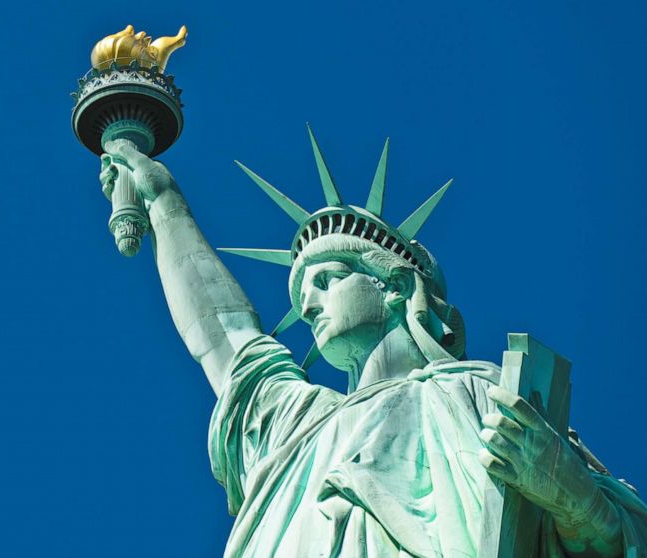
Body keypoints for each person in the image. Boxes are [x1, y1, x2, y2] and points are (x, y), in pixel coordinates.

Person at [97, 137, 647, 557]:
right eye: (301, 291)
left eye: (327, 278)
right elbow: (227, 338)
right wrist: (163, 204)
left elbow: (627, 539)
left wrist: (577, 500)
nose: (307, 303)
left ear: (397, 287)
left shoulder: (485, 398)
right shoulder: (299, 425)